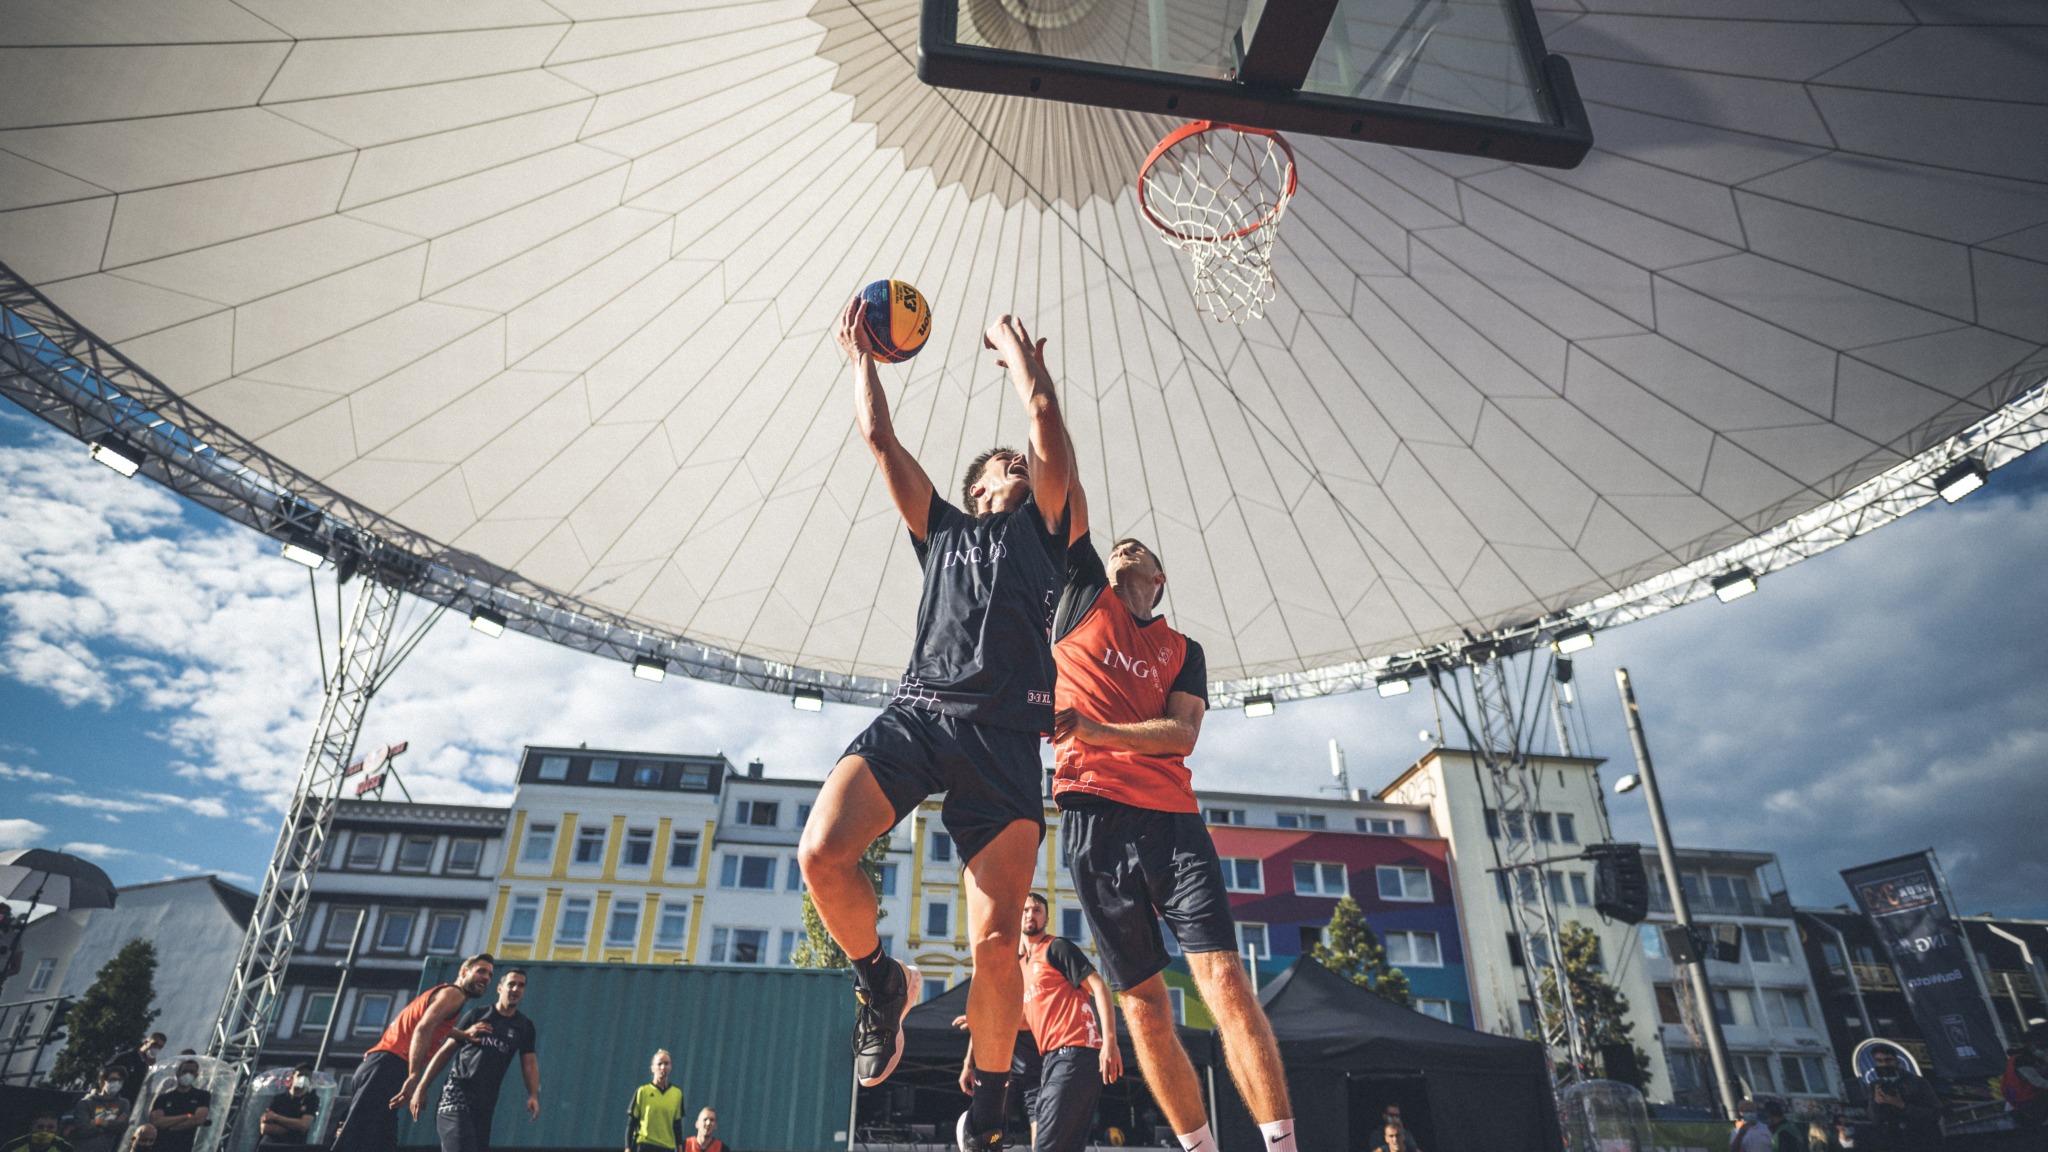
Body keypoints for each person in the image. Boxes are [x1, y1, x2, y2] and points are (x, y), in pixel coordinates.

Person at [798, 304, 1077, 1152]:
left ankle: (989, 1117)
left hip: (1003, 740)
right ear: (976, 488)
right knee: (820, 853)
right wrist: (862, 357)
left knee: (997, 949)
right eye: (1001, 467)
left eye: (1020, 465)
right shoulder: (943, 531)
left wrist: (1024, 362)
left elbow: (1044, 425)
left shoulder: (1045, 532)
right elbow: (879, 439)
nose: (1015, 468)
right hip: (922, 712)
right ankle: (882, 979)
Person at [1047, 521, 1298, 1152]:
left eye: (1140, 551)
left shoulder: (1184, 650)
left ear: (1159, 582)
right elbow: (1063, 500)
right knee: (1143, 1010)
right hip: (1091, 819)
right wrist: (1040, 420)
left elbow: (1181, 736)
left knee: (1225, 983)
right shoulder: (1082, 599)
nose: (1123, 546)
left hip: (1171, 821)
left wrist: (1095, 730)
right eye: (1116, 549)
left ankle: (1282, 1144)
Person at [958, 897, 1121, 1152]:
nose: (1030, 914)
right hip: (1052, 1060)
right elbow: (1019, 1020)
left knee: (1046, 1145)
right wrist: (983, 1022)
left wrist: (1109, 1041)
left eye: (1036, 910)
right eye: (1024, 910)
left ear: (1046, 918)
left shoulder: (1056, 948)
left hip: (1076, 1052)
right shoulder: (1020, 968)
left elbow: (1100, 987)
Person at [332, 954, 494, 1152]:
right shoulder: (454, 994)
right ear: (463, 972)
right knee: (354, 1140)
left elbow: (436, 1025)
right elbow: (423, 1028)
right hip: (387, 1066)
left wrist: (463, 1034)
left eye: (490, 975)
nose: (486, 977)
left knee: (382, 1143)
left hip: (384, 1067)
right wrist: (414, 1075)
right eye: (481, 971)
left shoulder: (445, 996)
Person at [408, 968, 540, 1152]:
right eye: (511, 984)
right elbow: (445, 1052)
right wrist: (421, 1087)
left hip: (484, 1106)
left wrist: (533, 1094)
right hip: (455, 1098)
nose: (516, 989)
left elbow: (530, 1063)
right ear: (500, 988)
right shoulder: (477, 1015)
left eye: (521, 985)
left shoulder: (524, 1027)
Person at [1863, 1047, 1939, 1148]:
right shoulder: (1875, 1086)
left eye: (1888, 1060)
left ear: (1897, 1062)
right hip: (1895, 1141)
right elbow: (1875, 1120)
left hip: (1923, 1139)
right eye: (1879, 1061)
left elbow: (1935, 1113)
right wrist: (1876, 1104)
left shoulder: (1918, 1082)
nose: (1884, 1064)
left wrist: (1902, 1105)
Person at [624, 1050, 685, 1152]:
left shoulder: (677, 1094)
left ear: (670, 1067)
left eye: (666, 1063)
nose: (663, 1067)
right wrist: (628, 1147)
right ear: (652, 1068)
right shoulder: (643, 1091)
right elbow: (631, 1123)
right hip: (645, 1145)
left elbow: (677, 1124)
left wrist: (679, 1146)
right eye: (659, 1064)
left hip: (667, 1147)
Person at [146, 1060, 210, 1152]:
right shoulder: (164, 1098)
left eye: (191, 1072)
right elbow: (155, 1122)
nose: (187, 1074)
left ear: (196, 1075)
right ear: (177, 1073)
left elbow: (199, 1119)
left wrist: (168, 1125)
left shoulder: (202, 1096)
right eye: (184, 1071)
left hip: (184, 1146)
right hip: (160, 1146)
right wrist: (184, 1117)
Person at [71, 1067, 133, 1152]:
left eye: (120, 1080)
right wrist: (111, 1126)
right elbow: (83, 1130)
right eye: (113, 1079)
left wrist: (98, 1122)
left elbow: (122, 1127)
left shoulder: (123, 1104)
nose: (117, 1083)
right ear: (102, 1081)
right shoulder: (85, 1103)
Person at [259, 1065, 318, 1146]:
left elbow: (303, 1125)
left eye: (307, 1076)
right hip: (273, 1145)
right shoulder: (279, 1098)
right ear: (292, 1077)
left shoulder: (311, 1099)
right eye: (300, 1075)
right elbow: (265, 1128)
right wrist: (295, 1128)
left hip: (295, 1146)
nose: (303, 1078)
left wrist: (276, 1117)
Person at [106, 1036, 166, 1106]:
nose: (156, 1048)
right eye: (154, 1044)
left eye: (160, 1047)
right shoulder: (125, 1057)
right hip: (114, 1101)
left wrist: (150, 1066)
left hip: (133, 1104)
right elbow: (105, 1072)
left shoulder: (149, 1064)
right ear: (146, 1042)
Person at [3, 1115, 74, 1152]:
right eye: (40, 1127)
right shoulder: (12, 1147)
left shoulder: (65, 1149)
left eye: (50, 1127)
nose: (44, 1131)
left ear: (57, 1130)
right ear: (32, 1128)